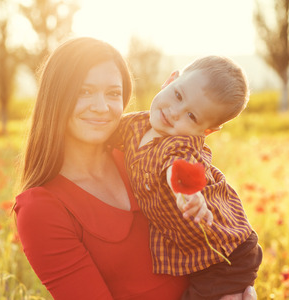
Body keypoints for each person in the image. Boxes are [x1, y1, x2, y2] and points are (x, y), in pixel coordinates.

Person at [14, 37, 258, 300]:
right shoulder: (41, 208)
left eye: (113, 93)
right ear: (56, 95)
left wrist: (235, 289)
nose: (101, 107)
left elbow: (180, 168)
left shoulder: (142, 157)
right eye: (84, 91)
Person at [112, 56, 263, 300]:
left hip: (227, 254)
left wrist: (186, 194)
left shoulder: (181, 145)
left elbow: (178, 167)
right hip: (198, 254)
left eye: (191, 116)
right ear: (170, 80)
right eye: (178, 95)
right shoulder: (134, 125)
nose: (174, 112)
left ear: (206, 132)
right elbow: (104, 134)